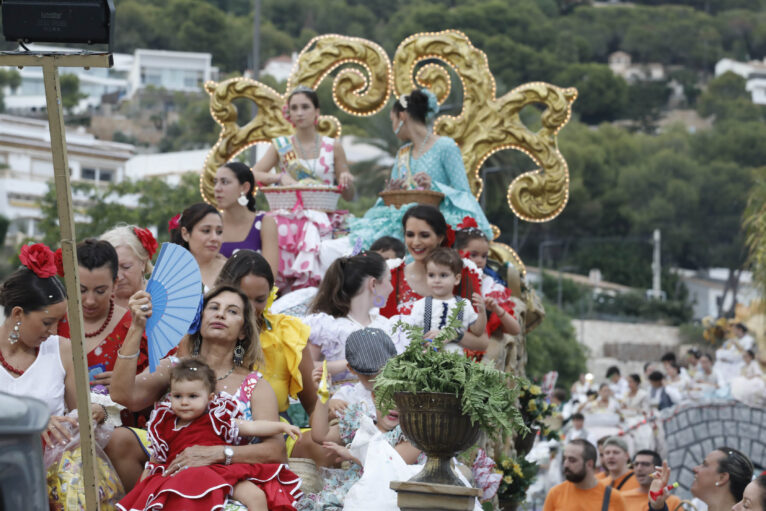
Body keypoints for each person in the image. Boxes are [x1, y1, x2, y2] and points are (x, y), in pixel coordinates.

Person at [108, 285, 287, 492]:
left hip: (229, 481)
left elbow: (276, 451)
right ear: (200, 320)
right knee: (119, 438)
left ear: (243, 332)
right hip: (171, 474)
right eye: (213, 308)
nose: (220, 314)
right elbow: (122, 395)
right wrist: (136, 327)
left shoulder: (255, 385)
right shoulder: (174, 368)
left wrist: (218, 453)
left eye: (232, 311)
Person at [117, 358, 301, 511]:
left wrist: (280, 427)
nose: (184, 402)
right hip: (179, 476)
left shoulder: (217, 417)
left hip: (217, 469)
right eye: (177, 396)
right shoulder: (164, 425)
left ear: (210, 398)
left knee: (256, 496)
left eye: (193, 396)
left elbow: (253, 427)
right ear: (170, 396)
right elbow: (155, 461)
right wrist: (141, 491)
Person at [348, 88, 491, 248]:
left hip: (433, 226)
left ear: (402, 116)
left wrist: (434, 187)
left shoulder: (445, 146)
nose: (393, 126)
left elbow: (464, 194)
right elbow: (393, 199)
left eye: (393, 120)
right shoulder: (402, 153)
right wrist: (392, 192)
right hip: (403, 225)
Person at [0, 244, 108, 445]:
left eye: (60, 322)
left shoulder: (63, 349)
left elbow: (80, 417)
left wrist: (97, 412)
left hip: (55, 468)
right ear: (17, 314)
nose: (54, 331)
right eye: (47, 323)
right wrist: (32, 423)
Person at [301, 331, 421, 511]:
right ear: (373, 397)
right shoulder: (360, 422)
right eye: (387, 397)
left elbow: (392, 463)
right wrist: (323, 396)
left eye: (401, 399)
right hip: (355, 491)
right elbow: (320, 435)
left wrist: (353, 455)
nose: (394, 405)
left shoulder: (412, 431)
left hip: (393, 492)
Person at [251, 86, 354, 291]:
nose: (299, 112)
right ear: (288, 113)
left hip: (324, 221)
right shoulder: (280, 145)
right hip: (289, 225)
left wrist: (346, 179)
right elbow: (253, 174)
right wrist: (279, 177)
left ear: (316, 112)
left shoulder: (333, 146)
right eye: (294, 108)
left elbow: (349, 196)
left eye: (305, 107)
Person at [214, 250, 316, 419]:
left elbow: (313, 405)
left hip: (274, 434)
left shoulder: (288, 333)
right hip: (214, 432)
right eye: (244, 299)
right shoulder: (204, 332)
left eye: (259, 300)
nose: (251, 308)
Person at [57, 239, 150, 386]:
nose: (90, 301)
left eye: (100, 291)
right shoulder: (53, 322)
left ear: (115, 285)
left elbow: (162, 373)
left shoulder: (133, 327)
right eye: (81, 290)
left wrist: (129, 382)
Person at [379, 205, 483, 336]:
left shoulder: (463, 273)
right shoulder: (391, 275)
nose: (416, 242)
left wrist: (448, 337)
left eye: (424, 235)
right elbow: (381, 333)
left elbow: (481, 341)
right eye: (410, 235)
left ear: (440, 237)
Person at [303, 252, 398, 383]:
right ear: (373, 284)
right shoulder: (326, 325)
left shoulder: (385, 325)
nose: (392, 288)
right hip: (335, 400)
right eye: (389, 280)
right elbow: (305, 366)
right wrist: (348, 363)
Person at [404, 247, 488, 353]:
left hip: (455, 359)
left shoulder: (464, 305)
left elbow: (477, 332)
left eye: (443, 275)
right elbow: (412, 334)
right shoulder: (420, 305)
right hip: (426, 358)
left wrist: (482, 312)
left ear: (456, 279)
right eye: (431, 275)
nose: (437, 280)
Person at [453, 219, 521, 336]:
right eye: (473, 255)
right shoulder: (444, 278)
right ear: (457, 252)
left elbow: (515, 330)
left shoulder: (489, 285)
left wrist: (496, 308)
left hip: (477, 341)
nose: (480, 260)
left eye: (484, 256)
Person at [214, 161, 279, 278]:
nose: (217, 188)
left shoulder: (265, 223)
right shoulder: (211, 224)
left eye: (224, 182)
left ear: (245, 188)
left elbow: (270, 276)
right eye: (215, 182)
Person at [543, 439, 626, 511]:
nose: (566, 464)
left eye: (572, 460)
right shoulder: (555, 494)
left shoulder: (614, 498)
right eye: (565, 459)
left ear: (589, 464)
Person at [169, 202, 227, 290]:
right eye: (206, 230)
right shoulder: (170, 275)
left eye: (219, 232)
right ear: (185, 234)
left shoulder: (232, 271)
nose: (214, 238)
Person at [100, 225, 157, 309]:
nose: (118, 276)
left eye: (126, 267)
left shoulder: (162, 298)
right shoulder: (93, 305)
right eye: (112, 268)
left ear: (143, 263)